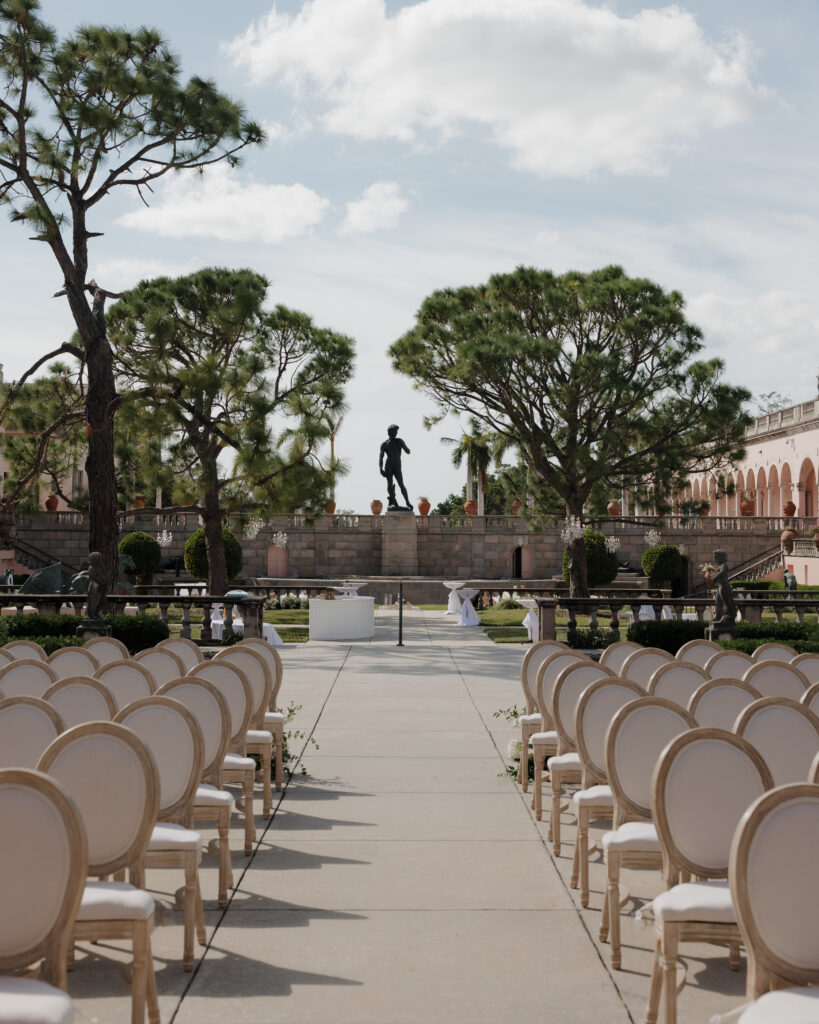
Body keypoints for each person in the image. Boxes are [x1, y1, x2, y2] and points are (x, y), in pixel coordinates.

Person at [379, 424, 412, 511]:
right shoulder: (384, 444)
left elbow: (408, 451)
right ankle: (393, 502)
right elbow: (381, 457)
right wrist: (380, 469)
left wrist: (404, 447)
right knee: (389, 484)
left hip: (397, 466)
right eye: (394, 431)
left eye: (396, 431)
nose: (396, 433)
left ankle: (407, 502)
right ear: (389, 432)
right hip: (388, 466)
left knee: (401, 484)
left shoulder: (399, 441)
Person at [711, 549, 736, 625]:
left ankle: (728, 616)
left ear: (720, 557)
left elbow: (722, 572)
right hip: (719, 587)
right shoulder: (720, 566)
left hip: (724, 587)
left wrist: (714, 577)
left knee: (726, 602)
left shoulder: (724, 565)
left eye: (716, 557)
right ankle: (718, 616)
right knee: (718, 602)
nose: (714, 559)